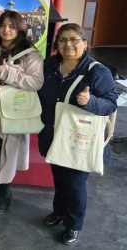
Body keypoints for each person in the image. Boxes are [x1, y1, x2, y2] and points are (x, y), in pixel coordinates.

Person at [38, 24, 118, 246]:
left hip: (80, 139)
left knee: (74, 183)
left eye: (74, 39)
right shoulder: (49, 65)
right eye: (62, 39)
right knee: (59, 177)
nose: (68, 44)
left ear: (85, 43)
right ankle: (59, 211)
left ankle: (74, 224)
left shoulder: (97, 72)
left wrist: (90, 102)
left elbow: (111, 103)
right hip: (53, 133)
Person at [0, 10, 44, 215]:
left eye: (11, 26)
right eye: (2, 25)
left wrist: (8, 73)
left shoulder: (30, 54)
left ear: (20, 29)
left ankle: (4, 194)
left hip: (15, 111)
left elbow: (36, 82)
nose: (6, 30)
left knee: (7, 152)